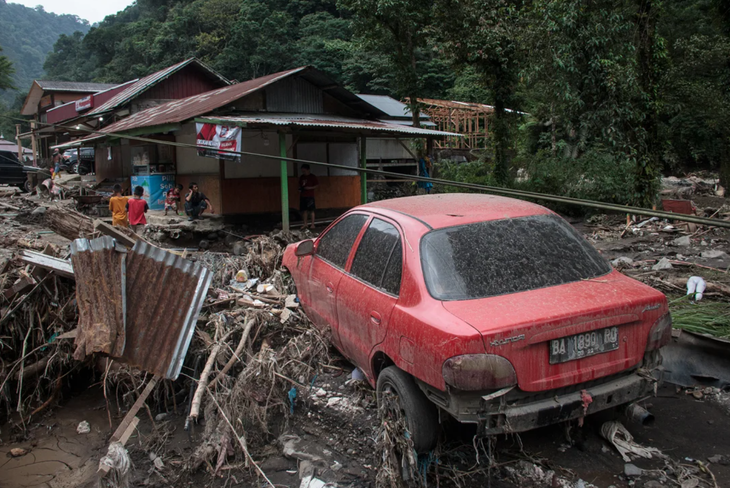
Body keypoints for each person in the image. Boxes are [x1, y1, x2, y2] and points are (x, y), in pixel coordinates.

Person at [298, 164, 319, 229]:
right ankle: (305, 224)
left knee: (311, 210)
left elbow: (316, 185)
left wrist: (310, 188)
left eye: (304, 171)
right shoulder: (302, 177)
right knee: (304, 210)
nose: (303, 172)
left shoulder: (312, 177)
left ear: (308, 170)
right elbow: (299, 185)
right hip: (303, 195)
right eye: (302, 171)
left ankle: (312, 224)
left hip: (310, 195)